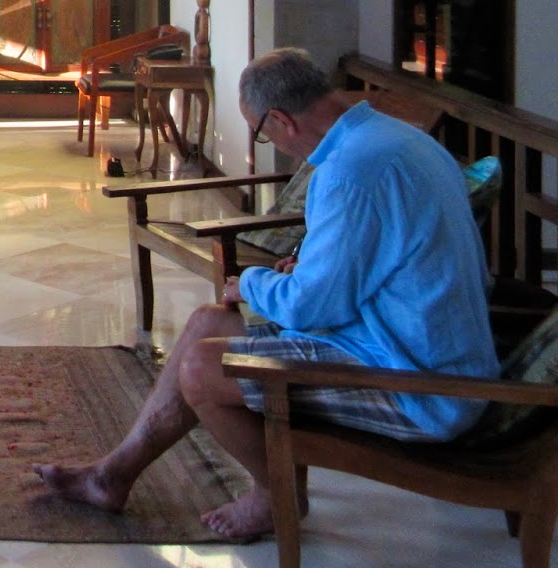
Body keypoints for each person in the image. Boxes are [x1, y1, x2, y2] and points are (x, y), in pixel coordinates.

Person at [34, 47, 498, 539]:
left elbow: (308, 308)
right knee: (207, 324)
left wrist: (253, 282)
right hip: (397, 339)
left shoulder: (350, 171)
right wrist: (308, 269)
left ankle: (275, 496)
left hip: (420, 383)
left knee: (203, 369)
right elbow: (378, 258)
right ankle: (112, 476)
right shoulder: (396, 138)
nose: (268, 141)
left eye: (261, 131)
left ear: (280, 119)